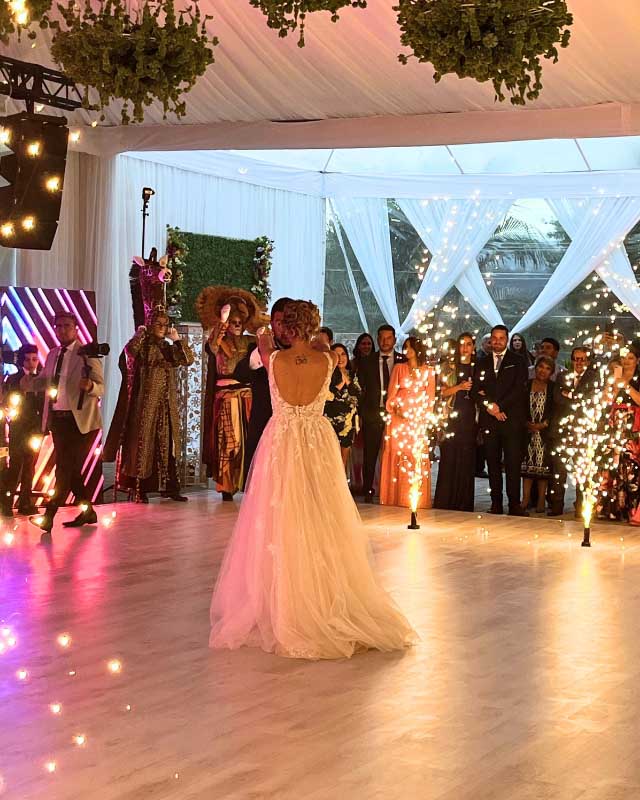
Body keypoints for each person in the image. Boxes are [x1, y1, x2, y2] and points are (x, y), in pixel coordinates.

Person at [210, 299, 416, 659]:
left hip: (282, 440)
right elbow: (320, 350)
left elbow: (262, 343)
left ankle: (283, 601)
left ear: (287, 327)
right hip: (317, 441)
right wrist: (317, 340)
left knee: (279, 517)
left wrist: (267, 334)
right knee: (322, 514)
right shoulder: (327, 359)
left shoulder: (273, 357)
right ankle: (324, 595)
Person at [104, 308, 195, 503]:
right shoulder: (144, 346)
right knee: (143, 446)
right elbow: (129, 352)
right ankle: (140, 489)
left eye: (165, 324)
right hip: (145, 404)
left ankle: (169, 487)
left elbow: (188, 360)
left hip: (166, 405)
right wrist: (140, 333)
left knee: (167, 446)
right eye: (158, 324)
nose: (162, 328)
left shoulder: (169, 348)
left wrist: (177, 340)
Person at [28, 312, 104, 539]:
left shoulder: (86, 354)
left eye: (67, 326)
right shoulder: (53, 354)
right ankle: (88, 512)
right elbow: (44, 380)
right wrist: (28, 382)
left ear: (76, 328)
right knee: (71, 471)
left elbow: (101, 386)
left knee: (64, 469)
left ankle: (49, 516)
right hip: (58, 420)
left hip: (80, 422)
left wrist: (90, 386)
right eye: (58, 326)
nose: (62, 330)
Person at [234, 296, 293, 482]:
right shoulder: (257, 348)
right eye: (279, 323)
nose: (284, 328)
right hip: (263, 426)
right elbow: (240, 373)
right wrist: (263, 352)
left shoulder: (303, 353)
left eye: (289, 322)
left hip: (293, 431)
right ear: (272, 324)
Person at [472, 324, 528, 516]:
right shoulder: (482, 362)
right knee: (493, 463)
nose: (497, 342)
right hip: (490, 420)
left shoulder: (517, 360)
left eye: (501, 338)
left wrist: (499, 407)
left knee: (512, 463)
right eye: (494, 338)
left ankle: (514, 504)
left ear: (507, 339)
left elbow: (519, 388)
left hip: (511, 419)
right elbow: (476, 390)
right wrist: (490, 407)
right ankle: (495, 503)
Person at [204, 300, 255, 500]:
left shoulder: (250, 341)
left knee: (248, 440)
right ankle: (226, 485)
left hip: (247, 396)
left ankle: (247, 482)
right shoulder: (219, 341)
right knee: (227, 442)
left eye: (240, 322)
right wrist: (222, 322)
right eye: (233, 322)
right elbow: (212, 345)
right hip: (226, 397)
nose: (237, 325)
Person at [379, 336, 435, 509]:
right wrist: (396, 408)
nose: (407, 350)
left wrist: (422, 417)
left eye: (410, 347)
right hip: (398, 419)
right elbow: (391, 394)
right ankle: (394, 496)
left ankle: (414, 497)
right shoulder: (399, 368)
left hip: (417, 420)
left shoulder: (429, 371)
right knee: (398, 453)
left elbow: (430, 398)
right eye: (405, 347)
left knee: (414, 455)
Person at [357, 324, 405, 502]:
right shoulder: (367, 361)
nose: (385, 342)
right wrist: (362, 413)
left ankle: (394, 492)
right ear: (377, 339)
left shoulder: (402, 360)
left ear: (394, 339)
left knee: (395, 453)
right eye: (382, 338)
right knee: (370, 455)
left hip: (397, 415)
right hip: (372, 413)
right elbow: (361, 389)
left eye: (389, 338)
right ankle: (368, 491)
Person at [434, 332, 476, 512]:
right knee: (449, 457)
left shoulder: (477, 367)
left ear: (473, 347)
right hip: (450, 417)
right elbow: (441, 392)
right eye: (462, 344)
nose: (465, 348)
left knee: (466, 459)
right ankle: (445, 499)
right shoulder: (448, 367)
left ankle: (463, 501)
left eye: (469, 344)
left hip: (469, 417)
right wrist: (459, 387)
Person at [0, 345, 44, 516]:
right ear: (21, 361)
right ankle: (7, 503)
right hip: (18, 428)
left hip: (35, 428)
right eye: (27, 359)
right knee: (15, 465)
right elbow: (6, 401)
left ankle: (25, 502)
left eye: (34, 359)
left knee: (30, 466)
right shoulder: (13, 379)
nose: (31, 363)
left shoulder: (42, 379)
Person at [598, 346, 640, 523]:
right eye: (624, 358)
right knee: (613, 465)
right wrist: (613, 385)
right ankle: (614, 509)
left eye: (631, 358)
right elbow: (605, 401)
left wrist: (626, 385)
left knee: (632, 467)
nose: (627, 361)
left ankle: (633, 510)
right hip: (615, 427)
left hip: (633, 427)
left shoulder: (637, 378)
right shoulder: (614, 376)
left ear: (637, 360)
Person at [548, 346, 590, 516]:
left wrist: (570, 395)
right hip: (563, 429)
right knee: (559, 470)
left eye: (582, 359)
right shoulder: (562, 376)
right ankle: (557, 505)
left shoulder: (593, 378)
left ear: (588, 361)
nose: (578, 362)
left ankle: (580, 506)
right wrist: (577, 398)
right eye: (576, 359)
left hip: (583, 430)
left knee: (581, 470)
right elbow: (557, 398)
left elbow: (589, 400)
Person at [521, 356, 555, 513]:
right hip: (527, 431)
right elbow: (519, 406)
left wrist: (544, 424)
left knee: (543, 468)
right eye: (541, 367)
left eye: (547, 368)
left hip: (544, 433)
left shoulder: (553, 388)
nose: (543, 371)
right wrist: (526, 423)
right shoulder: (526, 384)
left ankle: (541, 500)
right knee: (526, 467)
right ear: (535, 368)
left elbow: (556, 410)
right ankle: (525, 499)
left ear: (551, 372)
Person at [324, 343, 362, 469]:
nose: (340, 358)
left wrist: (348, 382)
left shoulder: (353, 374)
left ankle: (343, 481)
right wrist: (340, 384)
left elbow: (358, 395)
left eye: (343, 354)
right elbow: (326, 396)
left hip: (348, 423)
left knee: (343, 462)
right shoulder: (327, 375)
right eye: (336, 355)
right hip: (331, 422)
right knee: (330, 461)